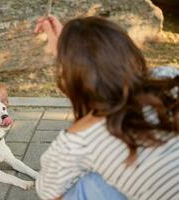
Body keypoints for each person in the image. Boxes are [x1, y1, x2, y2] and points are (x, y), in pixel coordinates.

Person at [34, 15, 179, 200]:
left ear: (70, 78)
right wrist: (67, 47)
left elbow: (48, 192)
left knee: (88, 184)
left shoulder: (79, 139)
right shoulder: (168, 77)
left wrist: (70, 60)